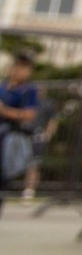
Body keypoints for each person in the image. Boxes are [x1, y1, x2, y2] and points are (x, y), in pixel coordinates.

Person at [0, 54, 42, 195]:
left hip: (10, 137)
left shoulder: (29, 91)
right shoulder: (3, 87)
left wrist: (5, 111)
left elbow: (30, 115)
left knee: (3, 177)